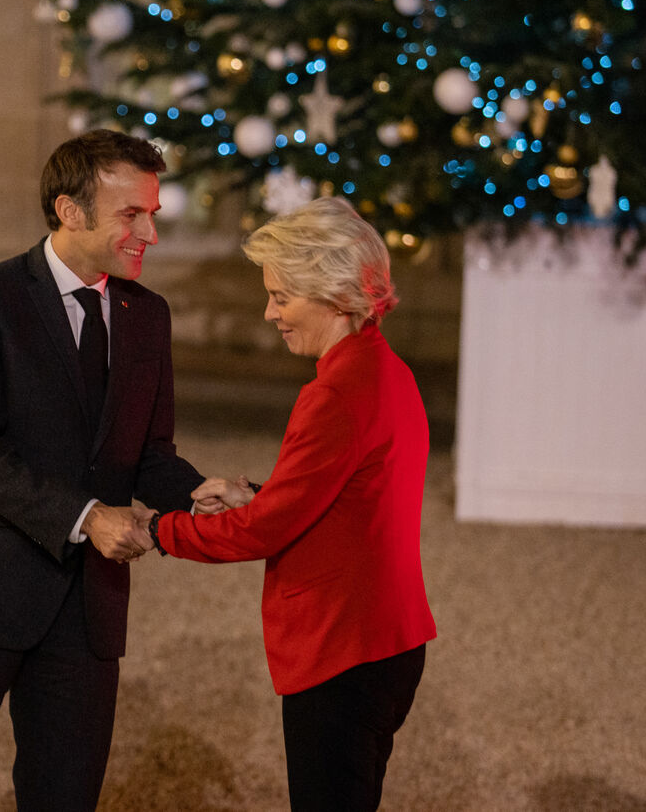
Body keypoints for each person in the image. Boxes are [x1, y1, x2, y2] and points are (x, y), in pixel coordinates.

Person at [0, 129, 206, 812]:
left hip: (86, 609)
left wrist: (203, 492)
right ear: (69, 210)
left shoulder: (148, 315)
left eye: (152, 213)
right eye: (131, 214)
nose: (149, 233)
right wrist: (87, 518)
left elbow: (150, 453)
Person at [145, 196, 437, 811]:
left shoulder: (334, 394)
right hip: (389, 640)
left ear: (333, 295)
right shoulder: (388, 370)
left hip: (343, 652)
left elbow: (263, 533)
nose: (270, 312)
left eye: (281, 296)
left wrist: (156, 529)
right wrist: (255, 494)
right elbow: (351, 494)